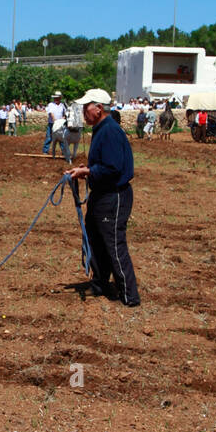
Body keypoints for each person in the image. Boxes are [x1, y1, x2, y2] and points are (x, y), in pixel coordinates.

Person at [66, 89, 140, 308]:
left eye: (85, 106)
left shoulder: (109, 131)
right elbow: (105, 165)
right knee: (96, 241)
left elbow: (113, 168)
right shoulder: (101, 129)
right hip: (102, 195)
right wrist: (87, 168)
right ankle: (100, 284)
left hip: (113, 197)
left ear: (98, 108)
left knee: (114, 245)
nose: (83, 111)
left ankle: (129, 297)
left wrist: (88, 172)